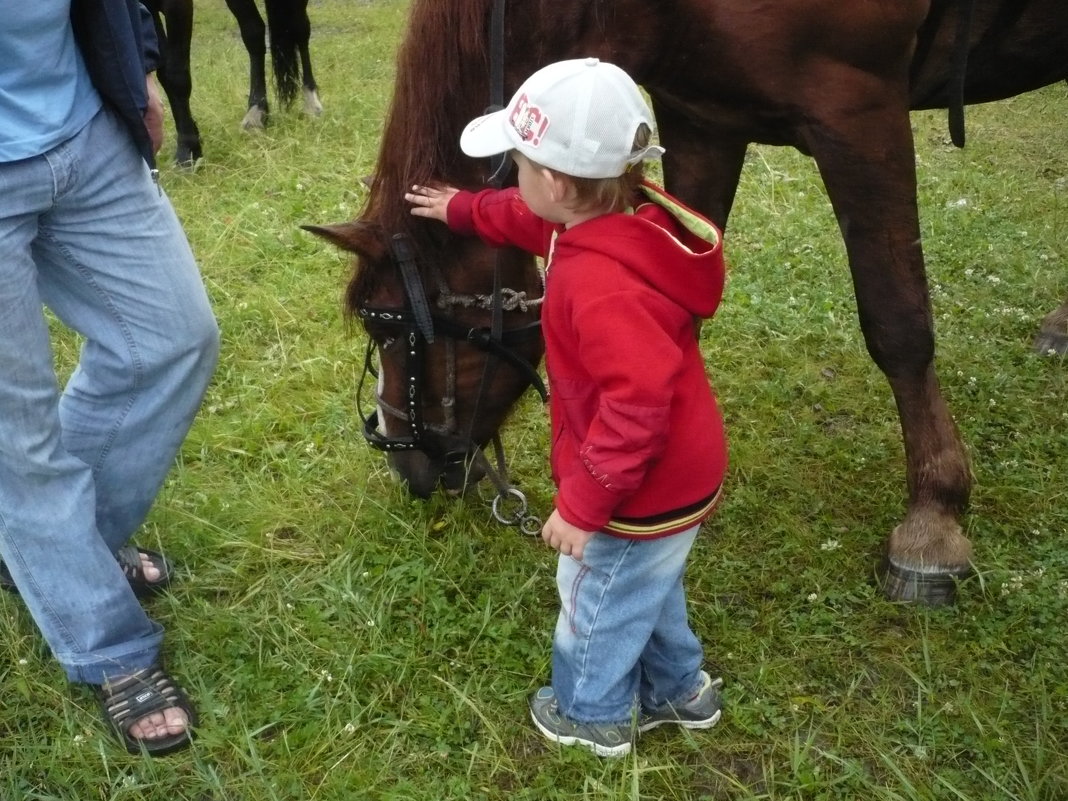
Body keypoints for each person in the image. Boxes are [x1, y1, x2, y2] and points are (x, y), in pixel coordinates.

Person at [406, 58, 728, 757]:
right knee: (647, 583)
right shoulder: (622, 218)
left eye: (517, 165)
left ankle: (592, 712)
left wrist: (584, 504)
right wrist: (462, 208)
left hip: (639, 487)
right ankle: (680, 689)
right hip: (682, 475)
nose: (515, 180)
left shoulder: (599, 283)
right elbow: (528, 220)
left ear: (555, 181)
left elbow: (637, 406)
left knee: (596, 596)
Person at [0, 1, 219, 755]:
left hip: (84, 126)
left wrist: (140, 69)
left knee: (173, 338)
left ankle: (67, 553)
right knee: (17, 437)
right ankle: (109, 646)